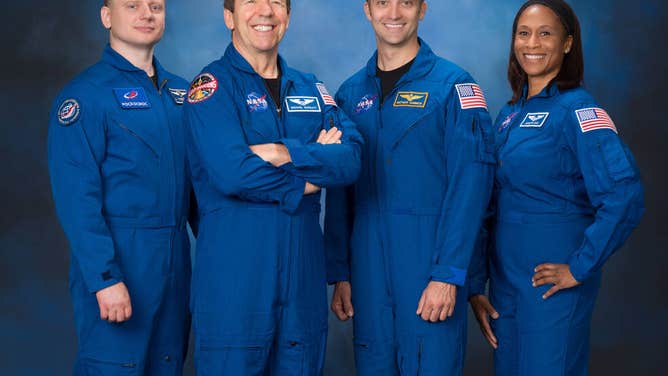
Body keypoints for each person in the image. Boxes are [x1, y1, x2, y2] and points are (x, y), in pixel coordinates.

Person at [183, 0, 363, 374]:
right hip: (236, 289)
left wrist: (282, 151)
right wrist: (309, 177)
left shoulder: (311, 88)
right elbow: (232, 171)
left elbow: (351, 159)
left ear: (288, 16)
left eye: (277, 1)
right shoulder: (210, 88)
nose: (265, 10)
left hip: (302, 291)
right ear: (228, 16)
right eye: (251, 1)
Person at [467, 1, 645, 375]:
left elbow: (624, 194)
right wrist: (476, 284)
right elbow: (489, 205)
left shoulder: (578, 111)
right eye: (524, 33)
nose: (532, 43)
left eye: (545, 33)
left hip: (551, 288)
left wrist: (579, 268)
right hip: (505, 285)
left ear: (567, 43)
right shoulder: (509, 115)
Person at [325, 0, 495, 374]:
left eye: (406, 2)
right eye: (383, 2)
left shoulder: (454, 86)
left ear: (423, 9)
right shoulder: (349, 95)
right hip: (367, 270)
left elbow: (471, 190)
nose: (394, 13)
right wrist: (339, 273)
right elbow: (339, 195)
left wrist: (448, 274)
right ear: (367, 9)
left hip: (428, 265)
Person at [47, 0, 195, 375]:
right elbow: (76, 199)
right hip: (122, 261)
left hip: (177, 262)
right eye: (132, 5)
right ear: (106, 16)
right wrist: (105, 278)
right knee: (115, 366)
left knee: (168, 364)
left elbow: (203, 190)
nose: (147, 13)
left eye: (156, 6)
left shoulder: (183, 95)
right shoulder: (84, 96)